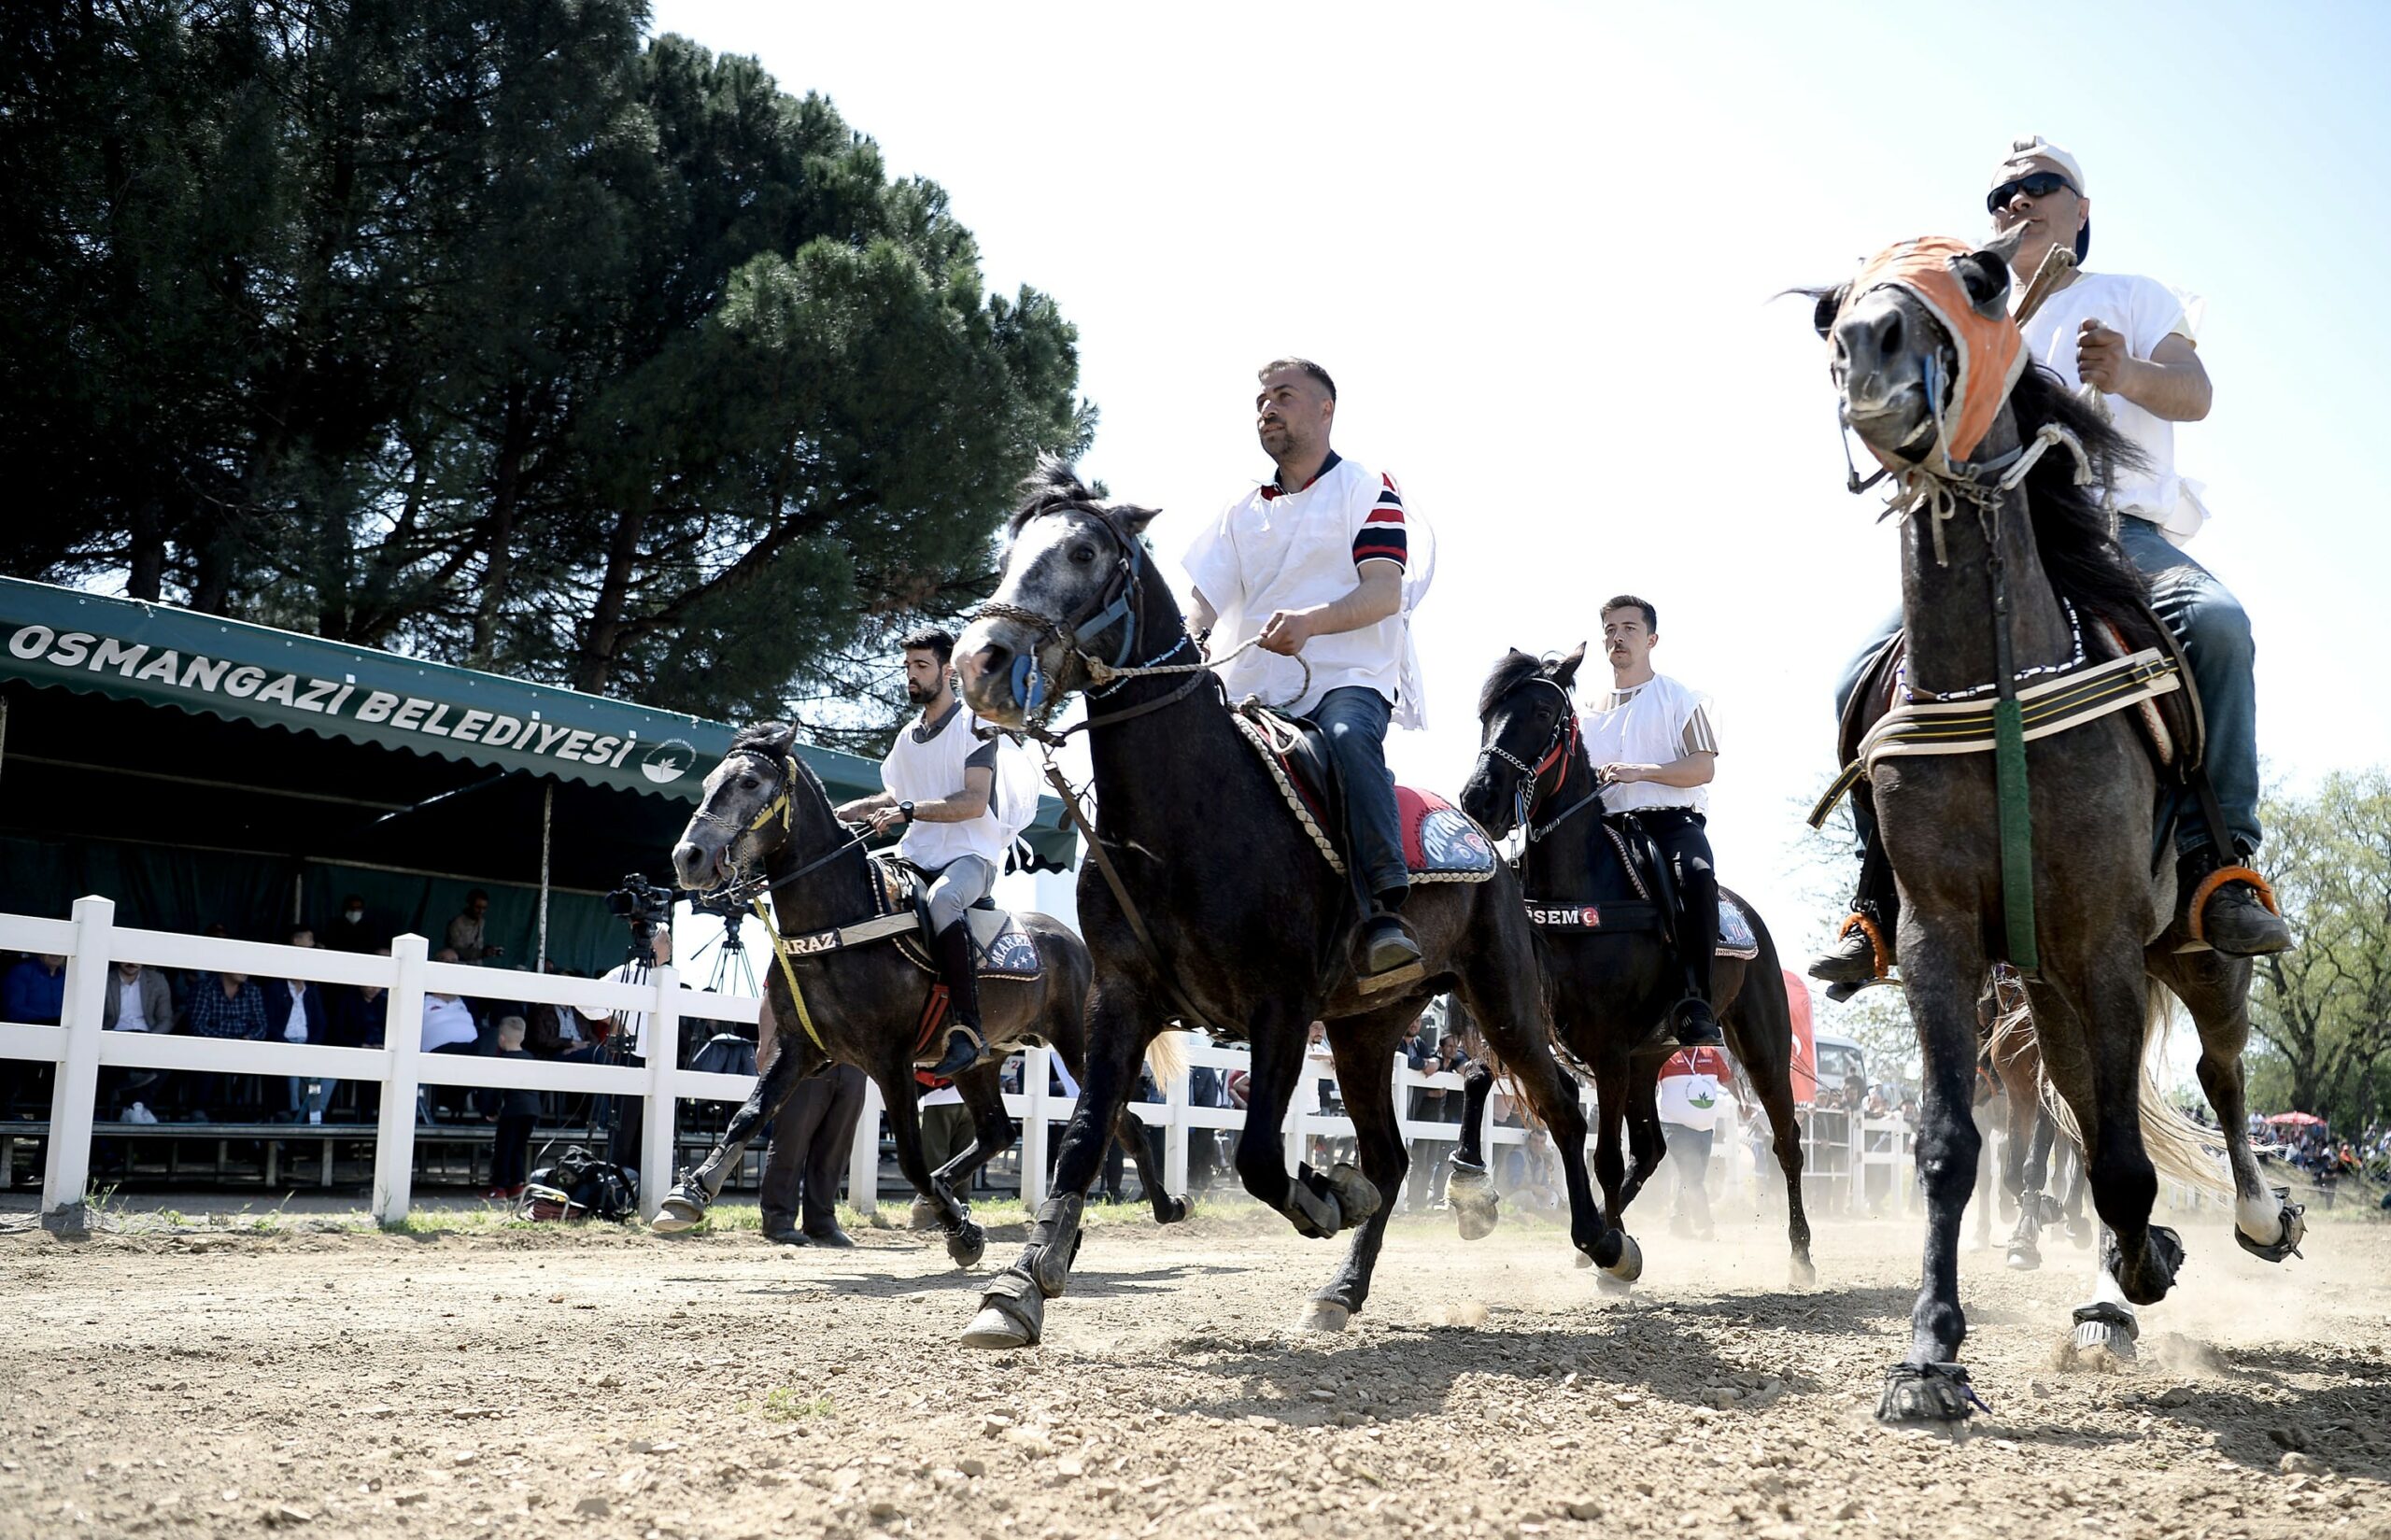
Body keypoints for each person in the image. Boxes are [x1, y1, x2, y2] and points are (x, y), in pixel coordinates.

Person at [1813, 134, 2291, 988]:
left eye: (2040, 185)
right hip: (1995, 543)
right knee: (1856, 677)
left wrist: (2130, 372)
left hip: (2118, 538)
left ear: (2083, 209)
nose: (2015, 202)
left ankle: (2221, 865)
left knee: (2218, 628)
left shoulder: (2133, 295)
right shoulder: (1977, 316)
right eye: (2000, 194)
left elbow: (2199, 393)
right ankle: (1876, 900)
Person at [1183, 357, 1430, 982]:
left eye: (1284, 396)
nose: (1268, 407)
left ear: (1326, 410)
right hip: (1252, 690)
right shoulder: (1241, 507)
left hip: (1349, 679)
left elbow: (1383, 593)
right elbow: (1205, 597)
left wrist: (1310, 624)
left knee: (1348, 742)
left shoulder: (1369, 486)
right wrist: (1188, 639)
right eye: (1262, 398)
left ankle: (1382, 913)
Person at [833, 627, 1033, 1081]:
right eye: (907, 667)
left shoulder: (976, 725)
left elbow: (974, 802)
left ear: (948, 671)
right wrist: (837, 815)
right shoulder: (908, 737)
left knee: (944, 900)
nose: (911, 676)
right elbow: (893, 796)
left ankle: (967, 1028)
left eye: (921, 666)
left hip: (971, 857)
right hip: (915, 856)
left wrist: (907, 810)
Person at [1582, 595, 1726, 1048]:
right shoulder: (1584, 712)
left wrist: (1642, 771)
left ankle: (1696, 1000)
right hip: (1604, 830)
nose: (1617, 636)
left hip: (1669, 825)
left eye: (1628, 628)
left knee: (1699, 879)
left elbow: (1702, 768)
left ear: (1651, 639)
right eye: (1609, 629)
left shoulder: (1680, 699)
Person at [756, 987, 864, 1247]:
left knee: (837, 1142)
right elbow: (772, 991)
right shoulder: (801, 947)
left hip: (854, 1054)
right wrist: (765, 1043)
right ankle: (778, 1219)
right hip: (804, 1050)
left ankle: (821, 1221)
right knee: (792, 1136)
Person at [1657, 1044, 1733, 1239]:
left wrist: (1743, 1101)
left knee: (1690, 1178)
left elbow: (1728, 1080)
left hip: (1705, 1130)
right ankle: (1704, 1224)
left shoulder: (1711, 1053)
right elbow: (1648, 1083)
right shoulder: (1666, 1056)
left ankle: (1677, 1224)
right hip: (1676, 1127)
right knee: (1693, 1177)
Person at [184, 969, 269, 1119]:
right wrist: (225, 1041)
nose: (246, 971)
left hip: (244, 1046)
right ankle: (199, 1110)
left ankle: (245, 1115)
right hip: (213, 1045)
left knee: (260, 1059)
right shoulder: (205, 988)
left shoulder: (252, 990)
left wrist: (248, 1038)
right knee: (205, 1056)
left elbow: (260, 1025)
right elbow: (198, 1025)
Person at [267, 925, 331, 1122]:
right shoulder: (276, 988)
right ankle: (293, 1112)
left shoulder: (312, 991)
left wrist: (312, 1045)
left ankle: (318, 1112)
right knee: (292, 1067)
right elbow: (269, 1022)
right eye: (309, 939)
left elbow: (320, 1022)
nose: (312, 943)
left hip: (307, 1043)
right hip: (283, 1044)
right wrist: (286, 1044)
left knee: (332, 1070)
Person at [101, 959, 174, 1122]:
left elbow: (166, 1019)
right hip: (114, 1038)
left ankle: (134, 1107)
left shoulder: (157, 980)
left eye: (136, 957)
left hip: (148, 1037)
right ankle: (139, 1107)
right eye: (126, 957)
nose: (131, 962)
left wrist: (150, 1038)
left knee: (172, 1055)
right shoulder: (104, 979)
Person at [480, 1017, 540, 1201]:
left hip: (512, 1109)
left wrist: (491, 1110)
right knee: (519, 1148)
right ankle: (517, 1184)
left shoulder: (503, 1060)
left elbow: (496, 1089)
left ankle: (499, 1187)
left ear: (502, 1038)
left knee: (503, 1148)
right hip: (532, 1109)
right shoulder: (530, 1057)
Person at [446, 889, 504, 963]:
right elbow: (457, 951)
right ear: (469, 905)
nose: (481, 911)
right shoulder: (457, 924)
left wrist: (489, 950)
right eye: (478, 907)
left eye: (484, 908)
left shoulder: (481, 922)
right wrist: (482, 953)